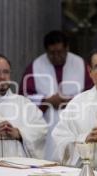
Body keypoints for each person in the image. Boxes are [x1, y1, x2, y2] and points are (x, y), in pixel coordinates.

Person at [19, 30, 91, 160]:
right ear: (46, 51)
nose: (57, 56)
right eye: (52, 53)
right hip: (47, 122)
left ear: (67, 48)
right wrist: (46, 100)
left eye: (60, 52)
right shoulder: (35, 66)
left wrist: (71, 101)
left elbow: (92, 92)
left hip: (75, 121)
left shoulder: (80, 64)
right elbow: (23, 96)